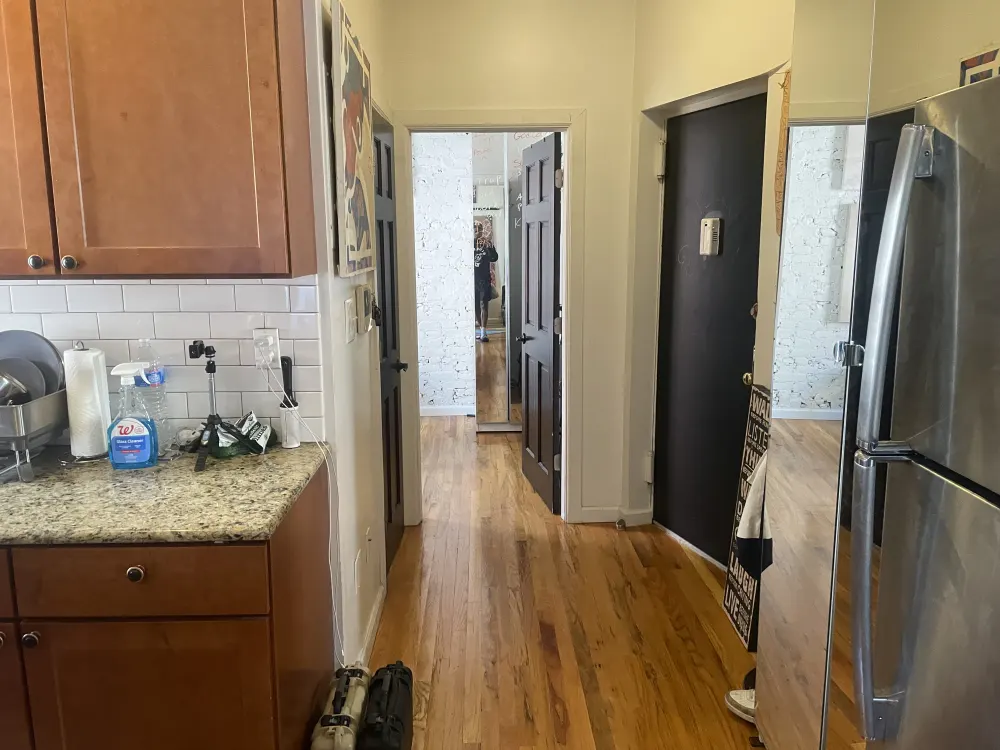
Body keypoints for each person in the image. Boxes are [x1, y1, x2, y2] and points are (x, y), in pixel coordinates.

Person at [473, 224, 498, 342]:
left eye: (480, 229)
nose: (477, 231)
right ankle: (480, 330)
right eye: (475, 229)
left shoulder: (487, 243)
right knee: (475, 306)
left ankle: (483, 332)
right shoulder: (467, 244)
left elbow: (494, 258)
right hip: (472, 280)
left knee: (484, 305)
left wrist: (489, 247)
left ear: (482, 230)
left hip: (484, 279)